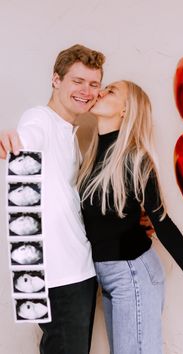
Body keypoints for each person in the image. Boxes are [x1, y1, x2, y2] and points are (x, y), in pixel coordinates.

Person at [77, 80, 183, 354]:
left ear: (126, 109)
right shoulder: (92, 155)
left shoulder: (135, 159)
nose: (100, 92)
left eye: (111, 91)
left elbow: (162, 222)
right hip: (105, 275)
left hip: (133, 274)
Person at [0, 44, 105, 354]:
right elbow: (26, 138)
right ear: (56, 80)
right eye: (77, 81)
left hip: (81, 271)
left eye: (94, 84)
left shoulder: (68, 133)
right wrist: (10, 140)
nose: (86, 91)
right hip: (58, 277)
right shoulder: (39, 119)